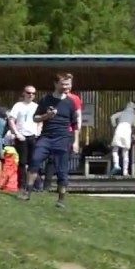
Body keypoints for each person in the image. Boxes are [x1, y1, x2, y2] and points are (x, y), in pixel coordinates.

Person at [22, 73, 79, 207]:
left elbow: (75, 125)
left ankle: (61, 199)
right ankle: (27, 193)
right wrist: (47, 116)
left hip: (63, 138)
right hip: (46, 137)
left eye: (68, 84)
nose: (66, 87)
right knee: (35, 160)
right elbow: (35, 118)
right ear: (55, 84)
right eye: (63, 84)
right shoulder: (45, 100)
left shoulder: (71, 103)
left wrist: (76, 142)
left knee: (62, 169)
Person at [7, 85, 40, 184]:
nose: (31, 95)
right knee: (22, 161)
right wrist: (16, 133)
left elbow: (40, 121)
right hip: (21, 136)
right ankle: (21, 183)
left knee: (33, 161)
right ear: (24, 93)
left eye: (33, 93)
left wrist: (38, 132)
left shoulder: (36, 106)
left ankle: (33, 184)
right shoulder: (18, 105)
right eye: (29, 93)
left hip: (33, 136)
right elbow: (11, 120)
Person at [109, 102, 135, 176]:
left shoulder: (122, 113)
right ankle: (125, 171)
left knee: (115, 149)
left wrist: (114, 125)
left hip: (118, 131)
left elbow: (112, 117)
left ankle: (116, 164)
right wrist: (134, 135)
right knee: (125, 152)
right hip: (127, 133)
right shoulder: (134, 116)